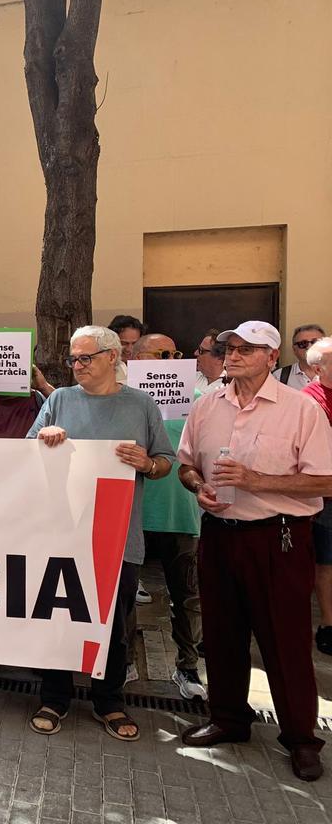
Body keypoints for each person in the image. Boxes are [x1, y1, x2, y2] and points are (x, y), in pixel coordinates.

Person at [177, 321, 332, 781]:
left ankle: (301, 739)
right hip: (219, 535)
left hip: (278, 537)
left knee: (284, 642)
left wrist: (258, 481)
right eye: (230, 347)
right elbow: (186, 465)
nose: (234, 354)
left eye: (248, 348)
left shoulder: (301, 411)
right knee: (222, 635)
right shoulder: (207, 405)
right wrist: (199, 486)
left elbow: (326, 480)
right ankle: (228, 719)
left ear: (272, 357)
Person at [27, 325, 174, 743]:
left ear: (113, 357)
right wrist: (44, 438)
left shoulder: (142, 405)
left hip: (117, 534)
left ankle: (108, 701)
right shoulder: (59, 400)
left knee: (113, 622)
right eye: (73, 359)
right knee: (58, 615)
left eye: (85, 358)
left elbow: (165, 462)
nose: (76, 366)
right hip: (62, 530)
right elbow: (26, 449)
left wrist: (146, 464)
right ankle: (54, 697)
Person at [131, 334, 205, 700]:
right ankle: (124, 660)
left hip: (181, 514)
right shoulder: (122, 401)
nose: (171, 360)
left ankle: (188, 668)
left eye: (175, 354)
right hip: (130, 514)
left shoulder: (199, 401)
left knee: (187, 597)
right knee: (124, 596)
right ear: (136, 358)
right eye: (162, 354)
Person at [301, 338, 332, 655]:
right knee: (327, 561)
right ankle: (328, 623)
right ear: (317, 368)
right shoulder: (309, 401)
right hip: (325, 493)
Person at [273, 323, 325, 390]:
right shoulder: (279, 376)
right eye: (303, 343)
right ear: (294, 349)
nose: (310, 347)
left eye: (315, 342)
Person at [194, 327, 226, 393]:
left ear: (220, 358)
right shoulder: (189, 378)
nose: (195, 353)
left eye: (201, 351)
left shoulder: (231, 386)